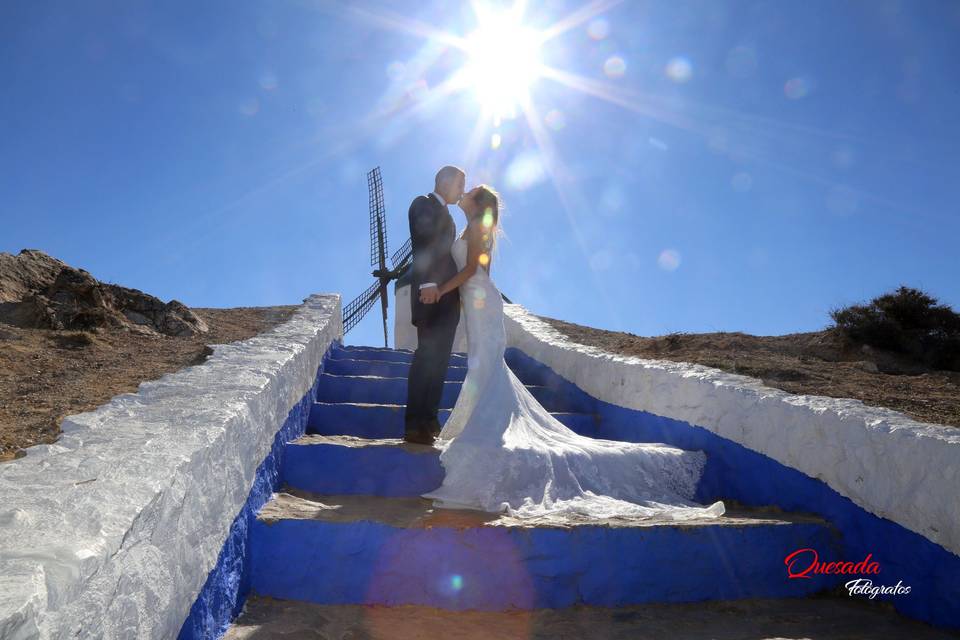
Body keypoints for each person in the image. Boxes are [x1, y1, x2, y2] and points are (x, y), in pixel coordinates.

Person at [420, 184, 727, 520]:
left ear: (477, 203)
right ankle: (480, 423)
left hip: (481, 302)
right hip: (477, 302)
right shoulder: (470, 228)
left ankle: (485, 427)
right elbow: (479, 274)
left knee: (486, 363)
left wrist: (444, 290)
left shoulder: (478, 228)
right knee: (482, 363)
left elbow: (471, 273)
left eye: (471, 191)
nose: (464, 192)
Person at [403, 166, 466, 445]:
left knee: (440, 361)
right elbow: (424, 241)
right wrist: (429, 283)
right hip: (431, 293)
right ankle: (414, 423)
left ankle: (429, 420)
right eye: (459, 184)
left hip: (448, 299)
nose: (462, 190)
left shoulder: (451, 217)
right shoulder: (423, 204)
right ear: (444, 182)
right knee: (426, 356)